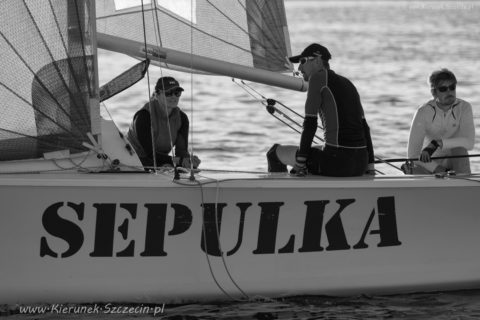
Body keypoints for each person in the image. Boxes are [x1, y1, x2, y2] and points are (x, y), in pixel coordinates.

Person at [266, 43, 375, 177]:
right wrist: (370, 167)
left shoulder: (318, 78)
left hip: (336, 162)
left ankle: (281, 193)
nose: (299, 67)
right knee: (312, 150)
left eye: (302, 61)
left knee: (274, 153)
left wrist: (300, 163)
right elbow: (365, 128)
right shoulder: (348, 83)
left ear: (317, 60)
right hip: (360, 163)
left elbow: (310, 124)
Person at [406, 68, 475, 174]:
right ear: (434, 92)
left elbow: (469, 143)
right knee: (413, 165)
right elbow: (412, 154)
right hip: (429, 162)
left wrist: (439, 143)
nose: (449, 92)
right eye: (443, 89)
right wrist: (439, 170)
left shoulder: (465, 107)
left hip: (454, 159)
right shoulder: (422, 112)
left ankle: (464, 185)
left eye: (452, 87)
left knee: (460, 150)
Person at [127, 76, 200, 170]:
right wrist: (179, 161)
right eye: (168, 93)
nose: (173, 96)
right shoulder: (143, 116)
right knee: (167, 167)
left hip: (161, 162)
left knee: (175, 167)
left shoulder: (182, 118)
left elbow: (181, 152)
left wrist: (189, 161)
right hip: (132, 160)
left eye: (177, 93)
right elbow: (150, 154)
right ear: (157, 95)